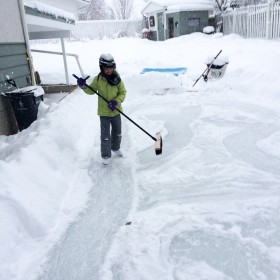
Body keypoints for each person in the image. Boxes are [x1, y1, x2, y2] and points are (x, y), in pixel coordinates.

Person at [77, 54, 127, 166]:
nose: (109, 70)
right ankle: (105, 155)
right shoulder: (98, 79)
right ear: (102, 68)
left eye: (111, 68)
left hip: (116, 111)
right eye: (106, 68)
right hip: (104, 112)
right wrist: (84, 86)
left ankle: (115, 148)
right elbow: (91, 91)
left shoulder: (117, 79)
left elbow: (123, 92)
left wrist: (116, 101)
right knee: (105, 135)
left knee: (117, 132)